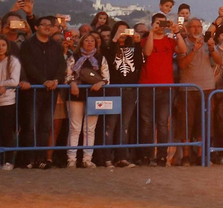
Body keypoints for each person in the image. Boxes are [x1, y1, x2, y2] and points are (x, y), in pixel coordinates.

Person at [16, 15, 67, 169]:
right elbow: (28, 66)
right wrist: (43, 81)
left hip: (51, 91)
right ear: (36, 27)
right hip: (33, 91)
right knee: (31, 126)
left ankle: (41, 159)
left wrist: (56, 81)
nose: (46, 27)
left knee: (45, 127)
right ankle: (29, 158)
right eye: (43, 24)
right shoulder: (28, 44)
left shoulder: (56, 45)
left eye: (49, 25)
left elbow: (61, 65)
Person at [138, 15, 185, 166]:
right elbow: (148, 52)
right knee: (146, 122)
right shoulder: (145, 40)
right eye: (158, 23)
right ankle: (146, 155)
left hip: (165, 87)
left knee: (163, 123)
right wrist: (152, 32)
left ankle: (162, 156)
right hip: (147, 86)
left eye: (162, 23)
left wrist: (176, 32)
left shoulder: (170, 41)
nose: (161, 26)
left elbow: (183, 49)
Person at [176, 18, 222, 165]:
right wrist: (194, 50)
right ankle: (186, 156)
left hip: (207, 88)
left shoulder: (207, 42)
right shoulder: (183, 43)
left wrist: (212, 49)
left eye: (199, 27)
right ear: (187, 28)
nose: (196, 29)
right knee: (186, 123)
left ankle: (201, 155)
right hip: (188, 88)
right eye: (193, 27)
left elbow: (219, 61)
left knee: (204, 123)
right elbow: (182, 64)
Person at [64, 32, 108, 168]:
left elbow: (106, 77)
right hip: (76, 95)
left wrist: (100, 83)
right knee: (75, 127)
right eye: (86, 41)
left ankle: (87, 158)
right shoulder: (74, 57)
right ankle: (71, 158)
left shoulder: (100, 58)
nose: (89, 43)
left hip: (94, 95)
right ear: (82, 43)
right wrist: (72, 83)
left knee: (90, 129)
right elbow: (67, 74)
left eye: (92, 41)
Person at [105, 24, 144, 168]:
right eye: (119, 30)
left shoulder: (133, 49)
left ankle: (122, 157)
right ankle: (107, 157)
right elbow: (107, 61)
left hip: (130, 90)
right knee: (110, 124)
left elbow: (139, 63)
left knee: (124, 125)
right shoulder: (109, 48)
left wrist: (138, 43)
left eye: (125, 30)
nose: (122, 33)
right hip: (113, 89)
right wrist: (114, 40)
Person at [0, 36, 20, 168]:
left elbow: (14, 81)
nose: (0, 48)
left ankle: (8, 161)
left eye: (3, 45)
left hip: (7, 101)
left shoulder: (13, 61)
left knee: (7, 132)